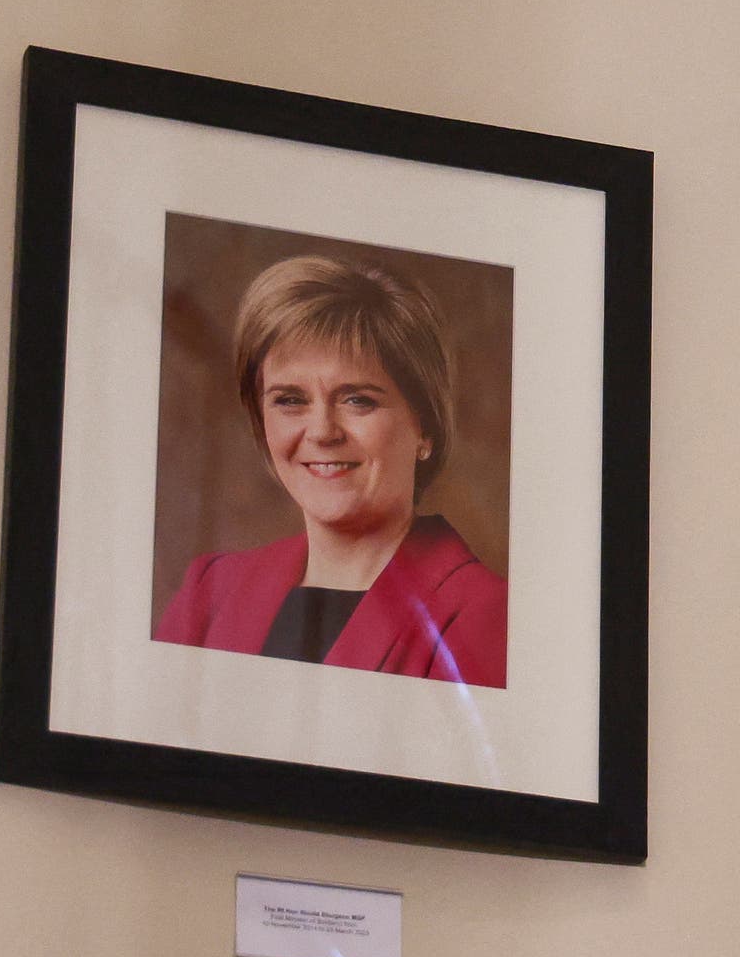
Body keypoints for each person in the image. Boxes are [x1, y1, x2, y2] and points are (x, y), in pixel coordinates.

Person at [154, 255, 506, 688]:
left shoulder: (485, 615)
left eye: (358, 399)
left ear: (425, 428)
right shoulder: (209, 592)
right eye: (290, 400)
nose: (321, 431)